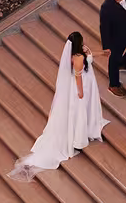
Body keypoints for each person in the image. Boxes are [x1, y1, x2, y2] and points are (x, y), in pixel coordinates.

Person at [8, 31, 107, 181]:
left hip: (86, 84)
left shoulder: (76, 53)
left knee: (80, 112)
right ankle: (78, 138)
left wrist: (102, 53)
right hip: (83, 87)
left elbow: (89, 55)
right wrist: (80, 92)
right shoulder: (78, 58)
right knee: (79, 112)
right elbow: (78, 76)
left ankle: (83, 130)